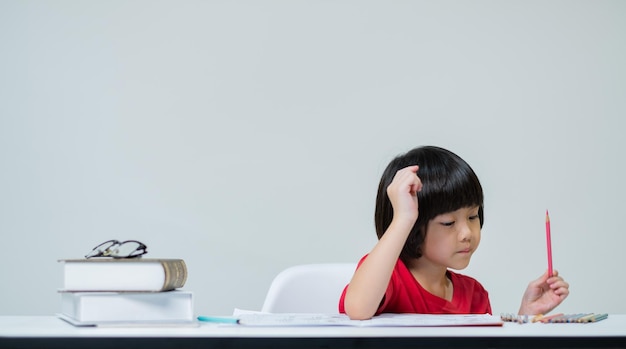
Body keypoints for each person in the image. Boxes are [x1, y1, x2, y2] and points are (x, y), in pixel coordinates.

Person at [339, 146, 569, 320]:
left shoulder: (474, 295)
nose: (466, 233)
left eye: (473, 216)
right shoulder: (390, 278)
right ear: (413, 228)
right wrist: (403, 218)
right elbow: (358, 309)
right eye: (449, 222)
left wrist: (525, 316)